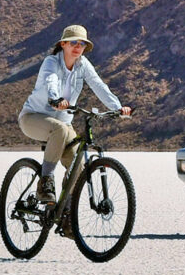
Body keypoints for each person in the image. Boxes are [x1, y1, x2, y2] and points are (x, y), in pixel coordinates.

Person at [18, 25, 131, 203]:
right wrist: (55, 99)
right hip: (33, 117)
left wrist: (117, 108)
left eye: (82, 44)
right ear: (63, 44)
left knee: (77, 166)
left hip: (63, 122)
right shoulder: (51, 62)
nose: (78, 47)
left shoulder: (83, 64)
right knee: (60, 130)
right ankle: (45, 182)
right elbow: (51, 80)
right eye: (73, 42)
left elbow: (98, 85)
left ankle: (66, 211)